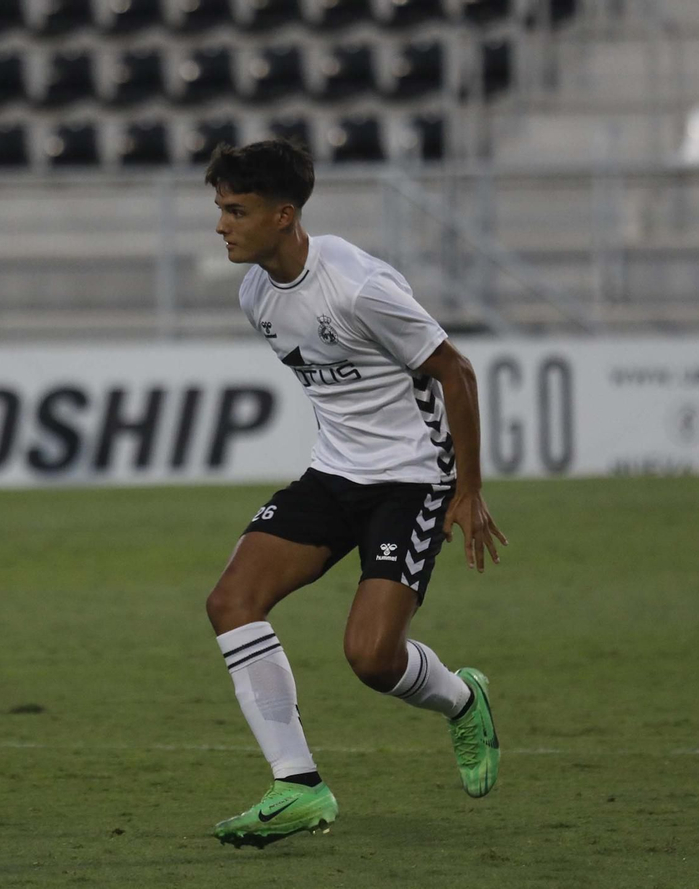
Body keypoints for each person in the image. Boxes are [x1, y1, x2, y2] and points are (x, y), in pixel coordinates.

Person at [203, 140, 508, 847]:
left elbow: (455, 372)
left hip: (411, 478)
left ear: (283, 216)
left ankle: (464, 699)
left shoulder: (357, 285)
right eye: (220, 209)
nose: (222, 225)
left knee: (371, 657)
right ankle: (298, 785)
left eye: (236, 210)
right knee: (230, 601)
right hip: (336, 473)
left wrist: (469, 488)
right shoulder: (255, 292)